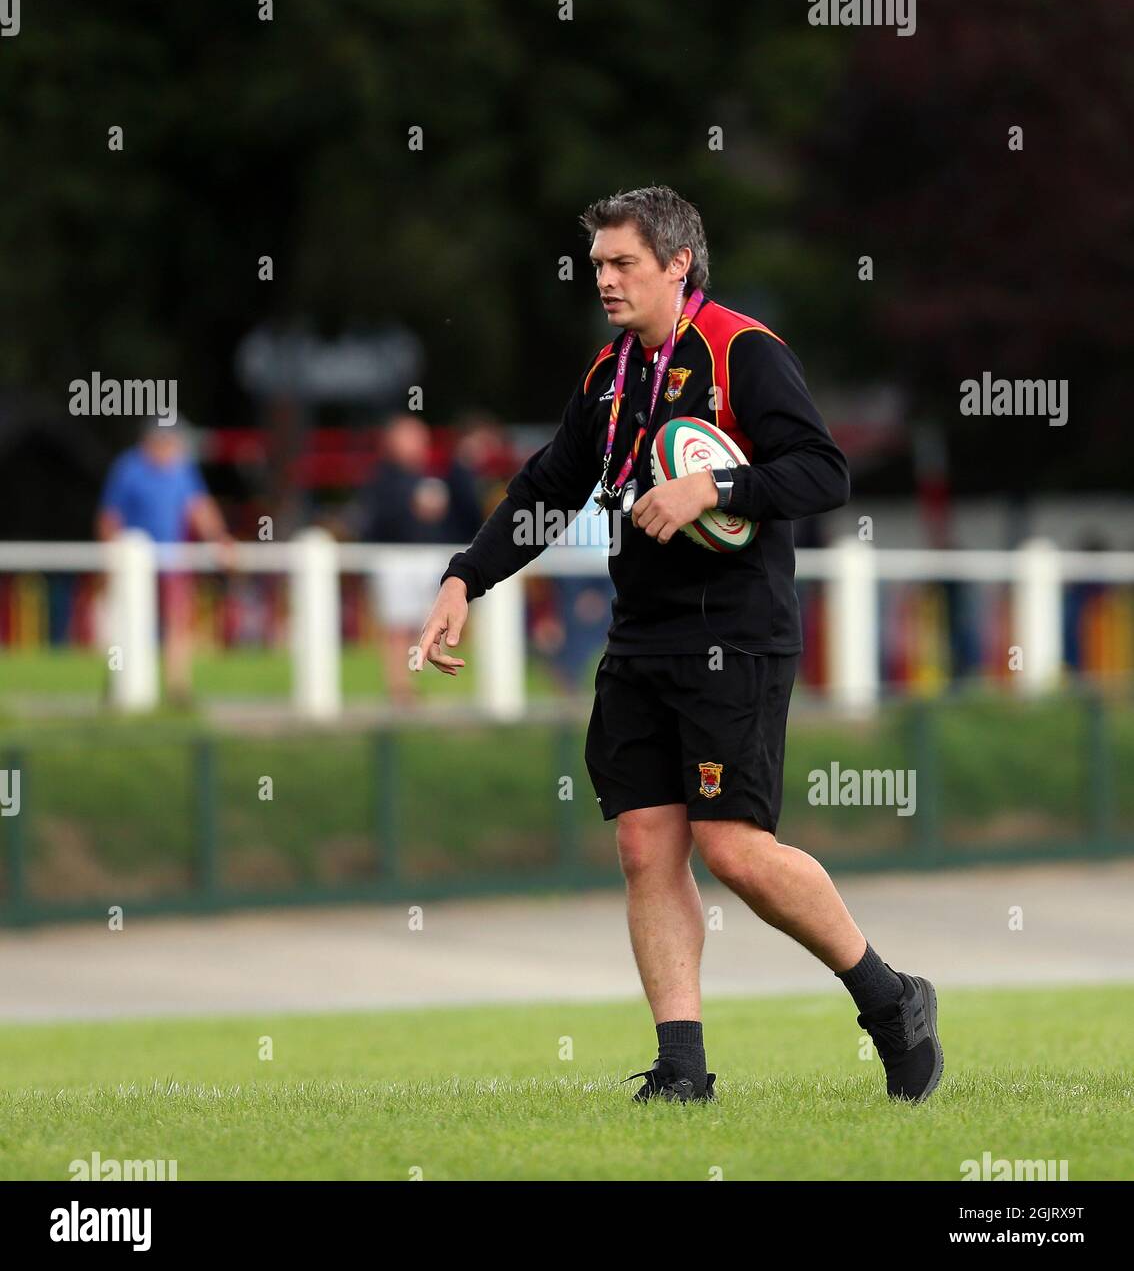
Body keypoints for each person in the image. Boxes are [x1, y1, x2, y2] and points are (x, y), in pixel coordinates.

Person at [416, 186, 943, 1105]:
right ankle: (682, 1070)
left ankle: (891, 999)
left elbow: (825, 471)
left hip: (734, 641)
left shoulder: (745, 351)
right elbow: (549, 486)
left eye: (623, 264)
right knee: (645, 849)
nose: (606, 281)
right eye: (598, 267)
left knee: (734, 850)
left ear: (677, 265)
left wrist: (715, 489)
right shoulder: (611, 377)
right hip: (640, 640)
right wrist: (467, 577)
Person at [96, 419, 233, 704]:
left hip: (172, 561)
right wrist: (111, 557)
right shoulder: (128, 468)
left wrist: (220, 540)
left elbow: (199, 508)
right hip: (134, 564)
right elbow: (110, 517)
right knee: (127, 624)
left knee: (177, 622)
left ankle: (177, 688)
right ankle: (117, 681)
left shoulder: (182, 469)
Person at [350, 416, 461, 704]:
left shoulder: (433, 476)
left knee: (424, 624)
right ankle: (398, 686)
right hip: (394, 560)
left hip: (427, 559)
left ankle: (412, 682)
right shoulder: (381, 481)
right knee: (397, 627)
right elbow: (372, 524)